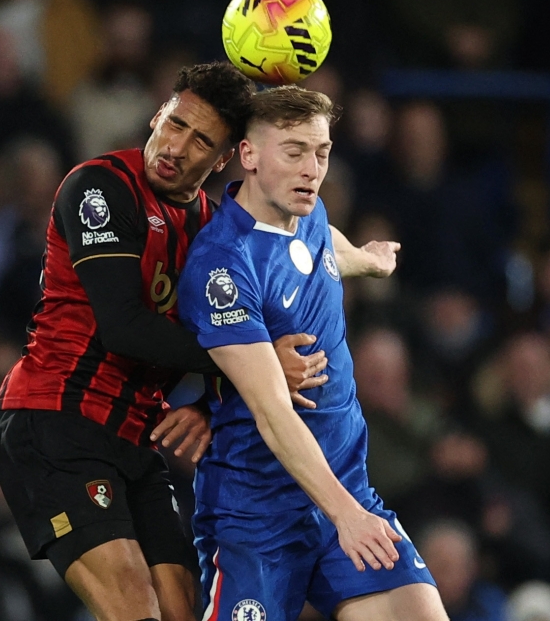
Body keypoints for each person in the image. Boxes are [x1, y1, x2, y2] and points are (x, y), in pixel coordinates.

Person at [0, 63, 371, 621]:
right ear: (157, 116)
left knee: (179, 611)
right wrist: (256, 366)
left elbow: (302, 249)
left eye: (201, 141)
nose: (175, 147)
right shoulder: (100, 187)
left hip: (138, 439)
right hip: (56, 422)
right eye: (174, 124)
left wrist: (209, 407)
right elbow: (124, 326)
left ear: (223, 159)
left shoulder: (213, 232)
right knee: (132, 606)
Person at [178, 86, 448, 620]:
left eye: (321, 152)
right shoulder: (222, 268)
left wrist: (364, 260)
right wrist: (348, 517)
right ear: (249, 155)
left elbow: (321, 246)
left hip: (345, 490)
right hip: (257, 516)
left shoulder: (309, 211)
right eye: (294, 151)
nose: (312, 170)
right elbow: (274, 411)